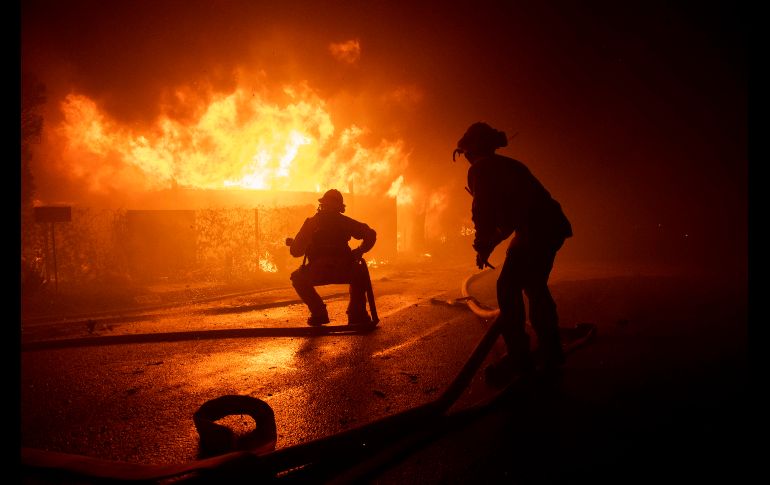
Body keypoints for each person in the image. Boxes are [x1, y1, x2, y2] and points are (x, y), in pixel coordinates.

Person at [454, 122, 573, 384]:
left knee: (508, 287)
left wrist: (482, 243)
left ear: (472, 150)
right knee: (534, 285)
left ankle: (520, 357)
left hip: (535, 230)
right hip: (550, 227)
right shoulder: (510, 165)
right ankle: (551, 351)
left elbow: (482, 211)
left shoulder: (480, 169)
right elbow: (510, 219)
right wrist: (488, 245)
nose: (466, 159)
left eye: (466, 154)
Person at [287, 189, 377, 326]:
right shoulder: (345, 222)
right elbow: (370, 235)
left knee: (297, 278)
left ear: (322, 204)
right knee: (360, 273)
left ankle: (319, 313)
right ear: (340, 207)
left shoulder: (312, 223)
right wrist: (359, 251)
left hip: (318, 271)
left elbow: (296, 252)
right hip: (344, 270)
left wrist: (296, 244)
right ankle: (356, 314)